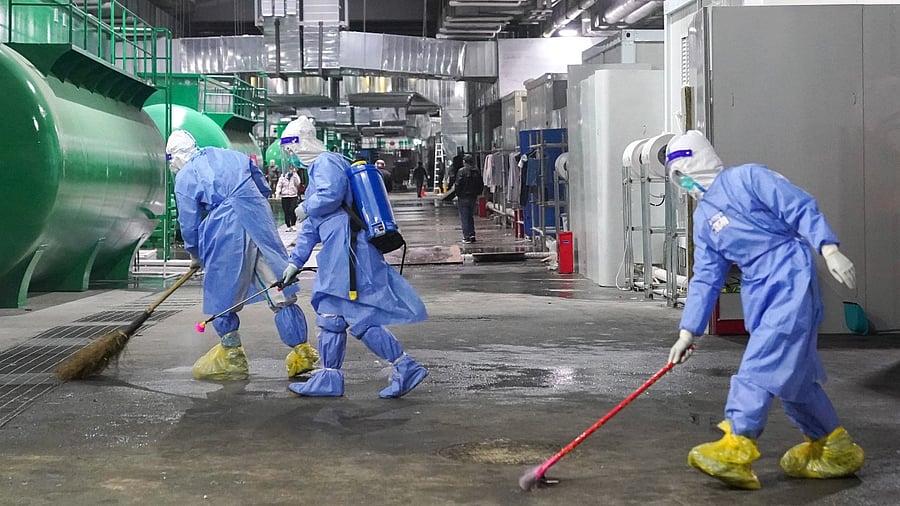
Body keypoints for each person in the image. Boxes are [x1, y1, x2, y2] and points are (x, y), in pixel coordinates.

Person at [664, 130, 864, 490]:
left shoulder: (748, 178)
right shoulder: (704, 220)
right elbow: (706, 277)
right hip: (759, 289)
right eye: (676, 177)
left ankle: (736, 445)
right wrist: (687, 330)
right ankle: (834, 448)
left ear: (698, 161)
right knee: (794, 380)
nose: (684, 183)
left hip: (790, 279)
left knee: (760, 364)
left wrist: (828, 248)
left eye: (683, 171)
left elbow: (798, 205)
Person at [279, 117, 429, 398]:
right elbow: (313, 226)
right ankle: (332, 376)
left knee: (351, 314)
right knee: (334, 314)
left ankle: (403, 366)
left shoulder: (326, 163)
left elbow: (331, 196)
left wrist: (306, 206)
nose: (293, 153)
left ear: (306, 140)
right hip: (341, 252)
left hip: (348, 252)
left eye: (294, 145)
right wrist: (294, 262)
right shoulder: (317, 170)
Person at [165, 130, 319, 381]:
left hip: (226, 228)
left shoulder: (185, 177)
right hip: (257, 216)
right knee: (277, 286)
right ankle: (301, 352)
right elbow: (262, 184)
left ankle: (232, 357)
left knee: (221, 292)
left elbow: (189, 223)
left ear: (175, 157)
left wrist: (195, 253)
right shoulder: (229, 155)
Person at [446, 153, 483, 244]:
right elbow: (481, 184)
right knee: (470, 216)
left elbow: (458, 184)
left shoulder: (461, 171)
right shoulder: (476, 171)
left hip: (463, 197)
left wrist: (458, 194)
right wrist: (477, 193)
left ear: (464, 162)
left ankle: (466, 237)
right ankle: (472, 234)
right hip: (473, 197)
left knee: (464, 217)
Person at [275, 166, 303, 232]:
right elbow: (279, 185)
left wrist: (295, 174)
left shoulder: (294, 176)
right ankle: (288, 226)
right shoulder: (282, 177)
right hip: (285, 196)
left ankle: (293, 225)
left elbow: (298, 183)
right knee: (286, 211)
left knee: (292, 210)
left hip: (293, 195)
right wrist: (277, 194)